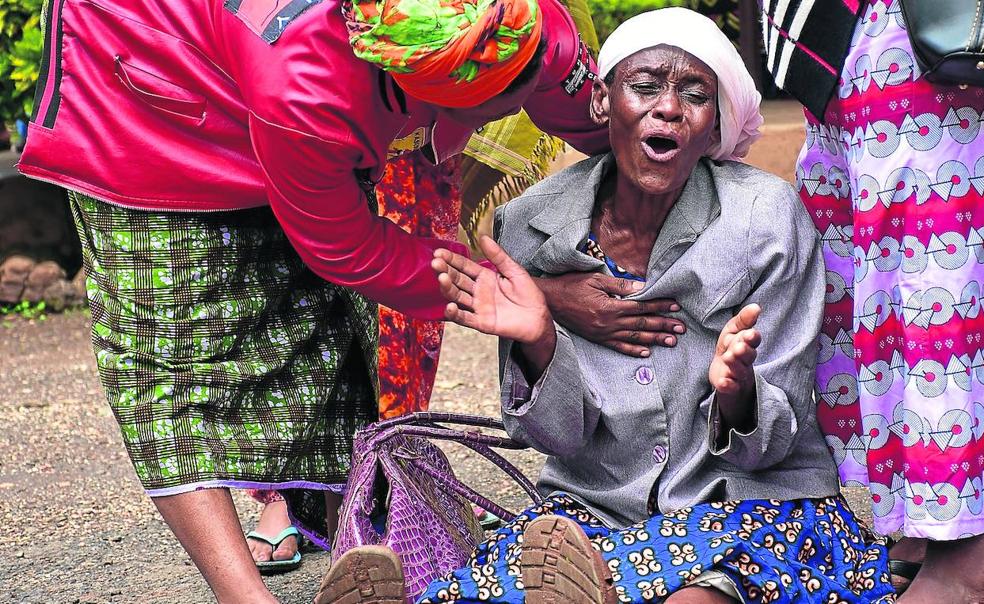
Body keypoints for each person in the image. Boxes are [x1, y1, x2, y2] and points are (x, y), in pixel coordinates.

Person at [16, 0, 642, 600]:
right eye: (483, 112)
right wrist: (541, 298)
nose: (490, 126)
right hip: (147, 86)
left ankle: (371, 554)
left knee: (341, 347)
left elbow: (580, 105)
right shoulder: (308, 92)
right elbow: (347, 250)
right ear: (414, 92)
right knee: (169, 354)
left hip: (274, 77)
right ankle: (245, 596)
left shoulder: (523, 28)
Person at [316, 8, 895, 604]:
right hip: (594, 511)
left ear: (713, 124)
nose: (668, 107)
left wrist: (738, 393)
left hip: (751, 504)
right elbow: (554, 438)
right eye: (644, 87)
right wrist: (540, 339)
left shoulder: (766, 218)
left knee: (704, 587)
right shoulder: (530, 228)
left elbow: (775, 444)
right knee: (530, 572)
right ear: (601, 103)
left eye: (694, 95)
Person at [759, 0, 984, 600]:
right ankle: (922, 517)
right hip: (837, 46)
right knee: (866, 283)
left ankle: (968, 554)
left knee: (938, 280)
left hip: (924, 37)